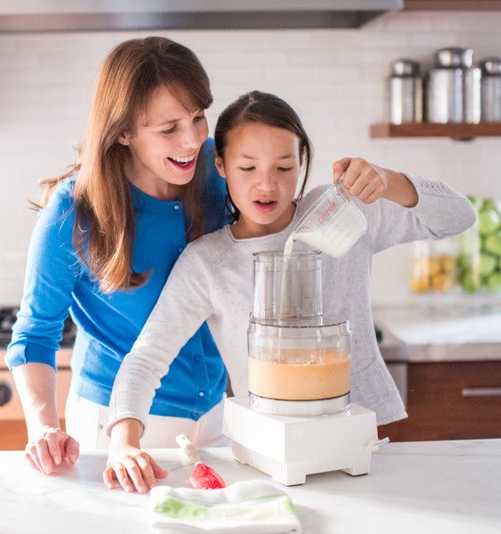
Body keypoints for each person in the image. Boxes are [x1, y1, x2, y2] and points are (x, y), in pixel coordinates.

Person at [104, 90, 476, 493]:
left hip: (365, 439)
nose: (267, 185)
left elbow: (458, 217)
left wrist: (390, 182)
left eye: (284, 167)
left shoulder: (340, 213)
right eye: (247, 167)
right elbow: (147, 358)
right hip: (269, 456)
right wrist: (123, 441)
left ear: (303, 162)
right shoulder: (208, 262)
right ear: (221, 165)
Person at [5, 36, 233, 477]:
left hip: (216, 413)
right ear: (124, 131)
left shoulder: (214, 169)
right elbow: (34, 335)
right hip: (117, 424)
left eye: (199, 118)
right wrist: (44, 429)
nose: (192, 140)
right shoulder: (73, 210)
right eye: (168, 129)